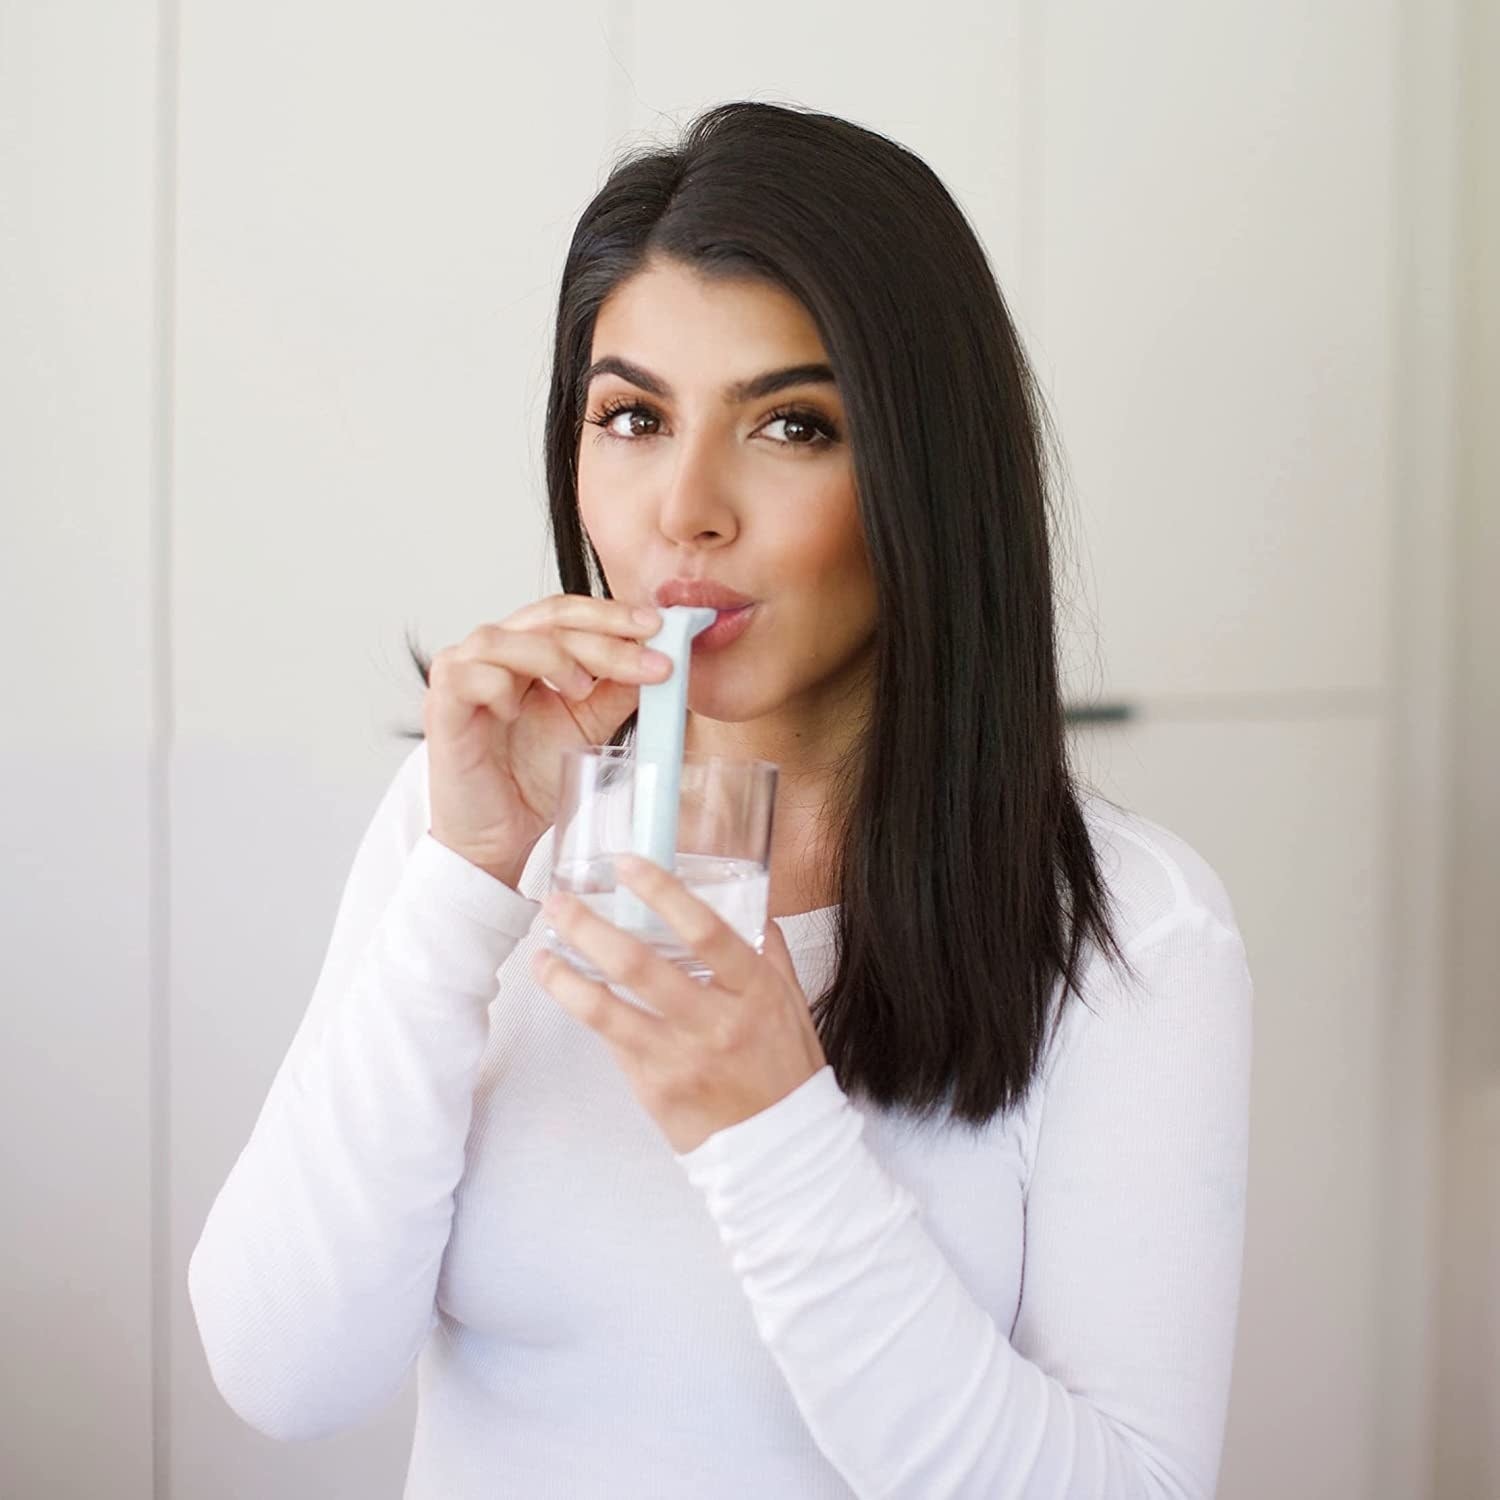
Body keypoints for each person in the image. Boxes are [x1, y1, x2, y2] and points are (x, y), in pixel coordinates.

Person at [188, 100, 1253, 1498]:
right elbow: (285, 1374)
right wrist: (461, 883)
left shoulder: (1133, 935)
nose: (682, 509)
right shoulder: (475, 818)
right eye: (632, 416)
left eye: (794, 426)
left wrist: (768, 1125)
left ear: (926, 478)